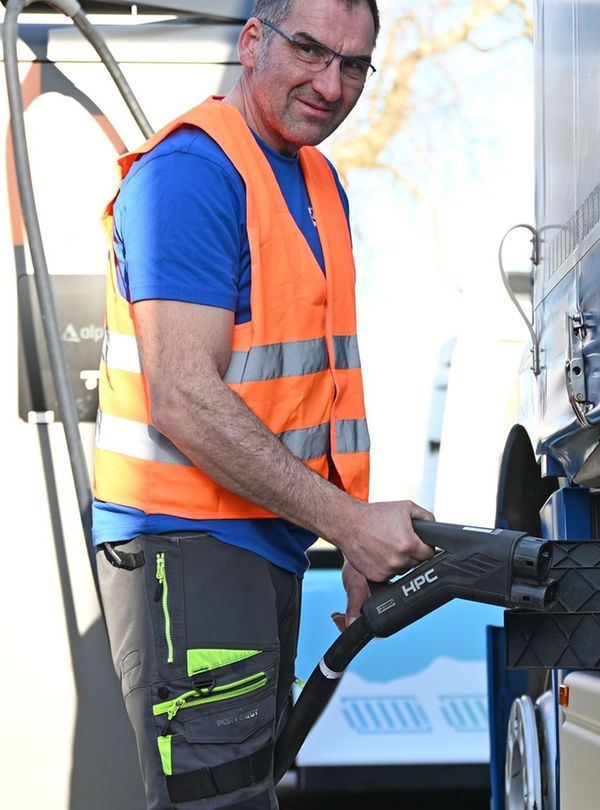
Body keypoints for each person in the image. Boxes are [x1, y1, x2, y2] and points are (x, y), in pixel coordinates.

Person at [91, 0, 435, 806]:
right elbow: (183, 396)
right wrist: (350, 523)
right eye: (310, 50)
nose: (330, 83)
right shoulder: (191, 174)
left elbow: (318, 393)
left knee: (250, 793)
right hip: (188, 551)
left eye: (353, 64)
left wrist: (350, 535)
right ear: (252, 42)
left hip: (260, 548)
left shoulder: (316, 179)